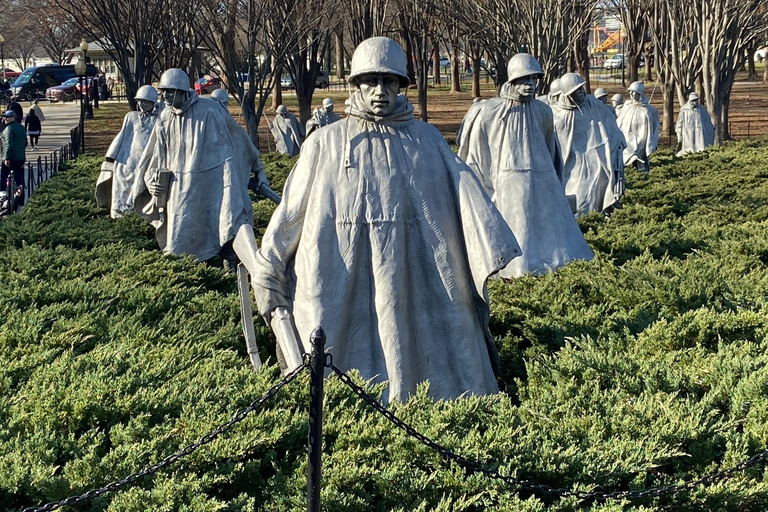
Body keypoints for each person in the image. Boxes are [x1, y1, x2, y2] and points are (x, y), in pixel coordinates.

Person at [251, 37, 521, 403]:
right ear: (355, 85)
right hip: (342, 278)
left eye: (390, 82)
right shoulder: (325, 143)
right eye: (371, 81)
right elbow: (291, 214)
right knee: (339, 357)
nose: (380, 91)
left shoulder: (427, 140)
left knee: (428, 352)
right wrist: (270, 266)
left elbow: (464, 197)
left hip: (416, 280)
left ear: (401, 86)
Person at [457, 54, 593, 278]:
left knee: (550, 229)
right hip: (509, 178)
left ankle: (554, 265)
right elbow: (479, 151)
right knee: (516, 226)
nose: (530, 85)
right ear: (512, 80)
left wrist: (553, 179)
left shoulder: (543, 111)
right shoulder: (491, 111)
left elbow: (551, 149)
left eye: (533, 79)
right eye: (524, 79)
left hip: (542, 177)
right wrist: (484, 185)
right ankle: (514, 269)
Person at [133, 68, 273, 275]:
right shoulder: (164, 117)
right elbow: (154, 156)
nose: (167, 96)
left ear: (183, 91)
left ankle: (230, 266)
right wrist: (151, 179)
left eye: (172, 91)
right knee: (182, 233)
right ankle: (190, 274)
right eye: (164, 92)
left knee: (226, 218)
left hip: (215, 179)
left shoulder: (210, 110)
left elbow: (239, 138)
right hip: (179, 185)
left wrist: (258, 168)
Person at [551, 73, 626, 215]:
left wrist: (617, 146)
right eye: (577, 90)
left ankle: (597, 222)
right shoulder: (556, 114)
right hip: (572, 166)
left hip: (598, 161)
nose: (582, 92)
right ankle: (583, 225)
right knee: (578, 196)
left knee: (598, 193)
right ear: (568, 94)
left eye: (582, 88)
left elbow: (610, 121)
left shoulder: (593, 104)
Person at [96, 85, 160, 218]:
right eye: (140, 101)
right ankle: (121, 214)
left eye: (146, 102)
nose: (142, 104)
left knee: (141, 187)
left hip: (147, 161)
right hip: (128, 159)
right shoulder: (131, 116)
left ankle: (139, 216)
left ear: (153, 102)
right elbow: (122, 135)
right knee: (123, 186)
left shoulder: (160, 119)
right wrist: (111, 157)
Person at [617, 81, 660, 173]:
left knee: (640, 160)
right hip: (627, 139)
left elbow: (653, 128)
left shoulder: (647, 110)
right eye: (630, 92)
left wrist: (653, 142)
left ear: (639, 94)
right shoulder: (627, 106)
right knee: (624, 157)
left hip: (640, 140)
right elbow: (620, 122)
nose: (631, 94)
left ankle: (642, 173)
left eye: (634, 92)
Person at [675, 92, 714, 157]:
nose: (695, 102)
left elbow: (707, 121)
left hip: (700, 134)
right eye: (693, 100)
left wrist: (711, 129)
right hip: (687, 134)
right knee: (689, 149)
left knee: (700, 147)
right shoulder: (684, 109)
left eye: (696, 100)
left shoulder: (701, 109)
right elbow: (679, 123)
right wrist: (679, 135)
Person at [1, 110, 26, 210]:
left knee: (3, 176)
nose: (5, 119)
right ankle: (19, 189)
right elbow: (24, 143)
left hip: (11, 158)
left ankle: (2, 195)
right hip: (21, 157)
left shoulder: (9, 129)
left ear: (13, 117)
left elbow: (8, 145)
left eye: (8, 117)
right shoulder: (21, 128)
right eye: (4, 117)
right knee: (18, 174)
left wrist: (6, 157)